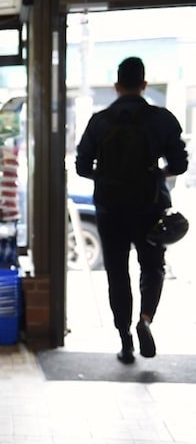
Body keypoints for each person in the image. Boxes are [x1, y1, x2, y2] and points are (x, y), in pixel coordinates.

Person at [75, 56, 188, 364]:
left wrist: (109, 177)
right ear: (144, 84)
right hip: (150, 208)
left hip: (110, 210)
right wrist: (155, 174)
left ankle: (125, 339)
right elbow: (180, 163)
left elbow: (81, 166)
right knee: (152, 267)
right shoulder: (161, 118)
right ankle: (146, 319)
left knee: (117, 273)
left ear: (116, 85)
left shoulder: (99, 121)